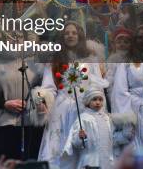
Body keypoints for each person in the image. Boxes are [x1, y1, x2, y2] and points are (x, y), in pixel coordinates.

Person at [33, 20, 108, 169]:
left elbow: (97, 86)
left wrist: (98, 110)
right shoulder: (55, 60)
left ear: (80, 35)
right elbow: (49, 87)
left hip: (86, 107)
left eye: (74, 32)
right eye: (66, 33)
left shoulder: (91, 59)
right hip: (61, 109)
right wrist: (42, 98)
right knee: (58, 147)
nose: (70, 35)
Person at [0, 32, 43, 165]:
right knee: (5, 162)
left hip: (28, 122)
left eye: (19, 37)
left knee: (26, 162)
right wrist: (4, 103)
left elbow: (42, 87)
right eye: (11, 37)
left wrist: (32, 102)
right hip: (3, 121)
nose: (15, 40)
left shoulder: (34, 62)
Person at [62, 87, 134, 169]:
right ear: (88, 101)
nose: (98, 102)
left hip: (107, 161)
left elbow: (112, 139)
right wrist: (81, 137)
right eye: (94, 99)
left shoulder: (106, 118)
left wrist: (124, 135)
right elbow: (76, 142)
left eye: (100, 100)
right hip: (91, 162)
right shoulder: (83, 118)